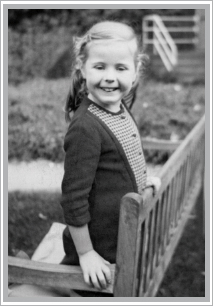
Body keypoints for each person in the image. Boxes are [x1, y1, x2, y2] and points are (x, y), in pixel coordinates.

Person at [60, 20, 161, 295]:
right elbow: (73, 197)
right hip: (99, 248)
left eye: (120, 68)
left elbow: (124, 155)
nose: (109, 77)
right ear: (82, 68)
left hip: (121, 235)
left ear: (135, 71)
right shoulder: (86, 127)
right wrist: (86, 254)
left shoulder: (119, 108)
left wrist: (142, 181)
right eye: (99, 66)